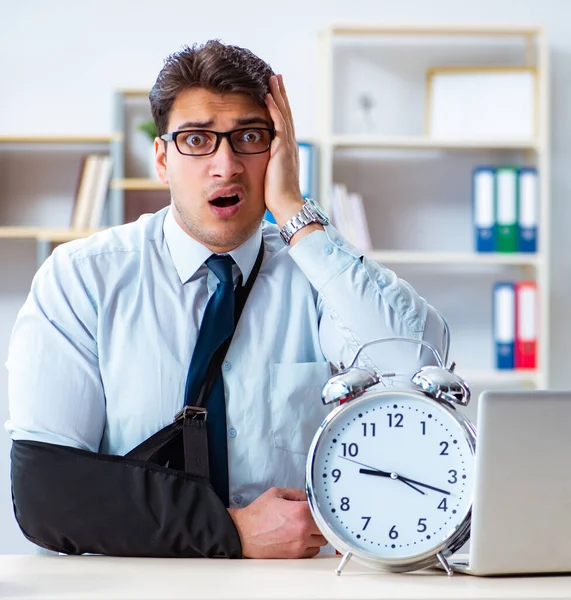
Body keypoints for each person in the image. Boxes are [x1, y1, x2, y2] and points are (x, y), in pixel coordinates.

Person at [5, 40, 449, 559]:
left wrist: (293, 210)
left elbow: (418, 372)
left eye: (250, 138)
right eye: (197, 140)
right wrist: (229, 531)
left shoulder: (316, 273)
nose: (227, 165)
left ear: (279, 151)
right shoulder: (83, 279)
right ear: (162, 159)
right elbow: (47, 493)